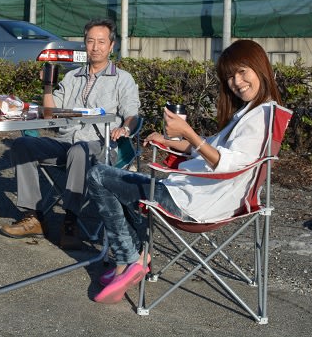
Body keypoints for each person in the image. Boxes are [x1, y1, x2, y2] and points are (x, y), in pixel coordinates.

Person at [85, 39, 282, 304]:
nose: (237, 81)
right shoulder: (252, 113)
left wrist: (187, 132)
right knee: (123, 185)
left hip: (196, 204)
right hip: (199, 196)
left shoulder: (260, 117)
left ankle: (129, 259)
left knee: (99, 175)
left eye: (242, 71)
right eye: (230, 77)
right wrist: (170, 141)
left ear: (260, 67)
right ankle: (133, 258)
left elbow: (227, 164)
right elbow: (209, 149)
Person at [0, 18, 141, 250]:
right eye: (90, 41)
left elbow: (132, 115)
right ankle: (33, 216)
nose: (95, 47)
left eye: (101, 42)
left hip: (100, 146)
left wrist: (124, 128)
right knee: (23, 145)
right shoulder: (71, 77)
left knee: (80, 151)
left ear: (111, 45)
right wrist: (47, 86)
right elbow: (50, 112)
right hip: (65, 141)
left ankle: (70, 220)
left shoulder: (123, 79)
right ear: (85, 44)